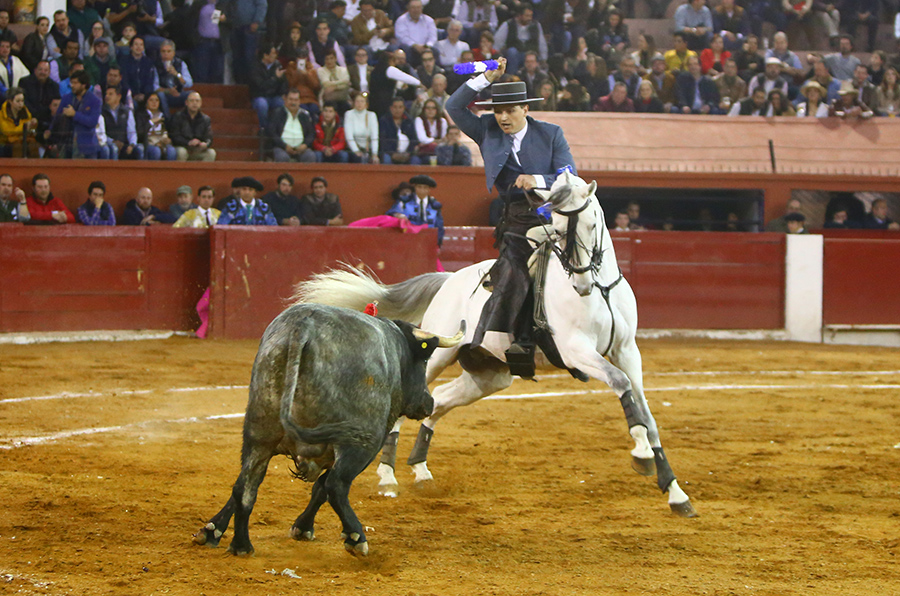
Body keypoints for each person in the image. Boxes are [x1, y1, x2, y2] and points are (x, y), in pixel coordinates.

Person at [445, 57, 575, 373]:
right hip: (517, 218)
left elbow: (569, 173)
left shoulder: (551, 133)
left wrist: (538, 179)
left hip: (552, 211)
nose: (503, 117)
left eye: (510, 111)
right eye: (498, 111)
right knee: (517, 271)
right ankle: (521, 341)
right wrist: (484, 78)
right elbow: (453, 106)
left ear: (525, 110)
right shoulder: (486, 129)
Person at [53, 70, 102, 158]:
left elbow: (92, 122)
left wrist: (75, 114)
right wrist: (50, 132)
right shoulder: (66, 98)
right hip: (67, 144)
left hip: (87, 146)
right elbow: (57, 118)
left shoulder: (95, 101)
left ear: (84, 85)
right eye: (72, 83)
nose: (72, 86)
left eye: (75, 83)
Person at [387, 173, 444, 243]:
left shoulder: (434, 206)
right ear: (415, 188)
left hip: (427, 241)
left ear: (429, 189)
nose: (422, 190)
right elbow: (390, 215)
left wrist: (437, 243)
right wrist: (397, 215)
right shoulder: (404, 202)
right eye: (419, 187)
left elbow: (439, 226)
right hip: (406, 240)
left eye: (425, 187)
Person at [494, 3, 548, 74]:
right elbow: (498, 42)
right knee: (512, 51)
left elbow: (542, 44)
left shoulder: (536, 25)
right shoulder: (508, 24)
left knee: (532, 56)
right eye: (527, 16)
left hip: (530, 53)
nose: (530, 18)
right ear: (519, 16)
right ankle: (512, 77)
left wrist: (543, 59)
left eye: (531, 16)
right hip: (515, 55)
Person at [268, 88, 317, 162]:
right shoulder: (277, 113)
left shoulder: (304, 115)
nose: (293, 102)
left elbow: (311, 133)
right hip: (282, 148)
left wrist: (305, 145)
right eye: (290, 99)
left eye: (296, 100)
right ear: (285, 99)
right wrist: (284, 146)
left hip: (301, 149)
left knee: (310, 156)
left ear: (299, 101)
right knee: (282, 157)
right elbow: (272, 133)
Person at [170, 91, 216, 161]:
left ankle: (202, 172)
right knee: (181, 152)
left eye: (197, 101)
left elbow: (209, 137)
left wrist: (205, 144)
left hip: (198, 149)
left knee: (211, 153)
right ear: (186, 103)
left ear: (200, 103)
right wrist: (188, 142)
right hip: (183, 147)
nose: (194, 103)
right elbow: (175, 136)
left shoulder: (205, 119)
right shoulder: (178, 116)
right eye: (191, 101)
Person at [103, 85, 144, 160]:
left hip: (125, 144)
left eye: (110, 94)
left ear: (118, 97)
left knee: (139, 149)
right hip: (109, 143)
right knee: (113, 148)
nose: (107, 96)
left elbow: (132, 131)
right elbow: (101, 133)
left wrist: (131, 145)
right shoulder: (101, 112)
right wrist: (113, 141)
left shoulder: (127, 111)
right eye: (106, 94)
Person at [154, 40, 193, 116]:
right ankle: (167, 120)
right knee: (160, 95)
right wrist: (168, 91)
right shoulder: (155, 65)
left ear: (174, 53)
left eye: (169, 51)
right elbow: (154, 87)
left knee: (191, 95)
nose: (166, 54)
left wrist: (177, 74)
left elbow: (189, 83)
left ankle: (187, 120)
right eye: (163, 51)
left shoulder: (180, 63)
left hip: (178, 93)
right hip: (164, 94)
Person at [21, 61, 61, 135]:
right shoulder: (24, 82)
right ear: (35, 70)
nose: (43, 72)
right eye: (40, 69)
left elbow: (55, 104)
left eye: (45, 70)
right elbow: (24, 101)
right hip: (28, 117)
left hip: (47, 119)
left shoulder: (54, 86)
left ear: (49, 72)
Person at [394, 0, 437, 67]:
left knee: (435, 51)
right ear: (408, 8)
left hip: (426, 48)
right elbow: (402, 37)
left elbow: (433, 37)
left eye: (418, 7)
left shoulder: (429, 20)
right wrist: (415, 45)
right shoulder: (401, 20)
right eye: (413, 7)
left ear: (422, 8)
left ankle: (435, 73)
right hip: (410, 48)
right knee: (406, 50)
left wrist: (427, 46)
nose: (416, 10)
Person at [379, 96, 420, 164]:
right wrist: (393, 154)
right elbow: (382, 141)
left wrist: (408, 153)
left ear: (404, 108)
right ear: (391, 108)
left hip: (407, 154)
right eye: (395, 107)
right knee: (386, 159)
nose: (397, 110)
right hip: (389, 154)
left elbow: (414, 140)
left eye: (400, 107)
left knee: (415, 160)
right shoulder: (384, 121)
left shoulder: (409, 121)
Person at [136, 92, 176, 159]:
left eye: (156, 100)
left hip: (162, 142)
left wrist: (169, 140)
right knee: (156, 151)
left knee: (172, 151)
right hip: (148, 142)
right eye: (151, 100)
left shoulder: (164, 116)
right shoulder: (140, 115)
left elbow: (171, 131)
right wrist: (151, 122)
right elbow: (140, 133)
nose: (154, 102)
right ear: (146, 102)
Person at [0, 87, 38, 158]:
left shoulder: (26, 112)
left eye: (22, 101)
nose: (21, 104)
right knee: (17, 146)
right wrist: (25, 127)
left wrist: (33, 125)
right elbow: (8, 131)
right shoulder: (2, 115)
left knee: (33, 143)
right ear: (10, 101)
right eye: (18, 101)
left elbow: (30, 131)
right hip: (6, 142)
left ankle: (36, 166)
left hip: (23, 139)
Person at [343, 91, 380, 163]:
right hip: (353, 150)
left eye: (362, 101)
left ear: (366, 104)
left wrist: (374, 154)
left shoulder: (372, 115)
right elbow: (349, 136)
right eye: (357, 101)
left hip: (367, 149)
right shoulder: (349, 114)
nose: (359, 104)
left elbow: (374, 137)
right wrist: (356, 151)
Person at [119, 37, 155, 106]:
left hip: (145, 95)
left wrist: (145, 95)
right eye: (136, 44)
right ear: (131, 47)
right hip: (129, 95)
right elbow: (124, 81)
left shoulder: (148, 62)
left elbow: (150, 81)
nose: (138, 47)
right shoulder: (124, 61)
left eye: (141, 45)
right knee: (133, 104)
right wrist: (134, 94)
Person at [317, 50, 351, 115]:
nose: (329, 61)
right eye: (327, 59)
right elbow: (325, 84)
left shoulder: (343, 70)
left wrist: (334, 87)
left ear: (335, 59)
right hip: (328, 98)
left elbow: (347, 83)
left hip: (343, 97)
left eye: (331, 58)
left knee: (346, 106)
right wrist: (341, 82)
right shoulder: (321, 70)